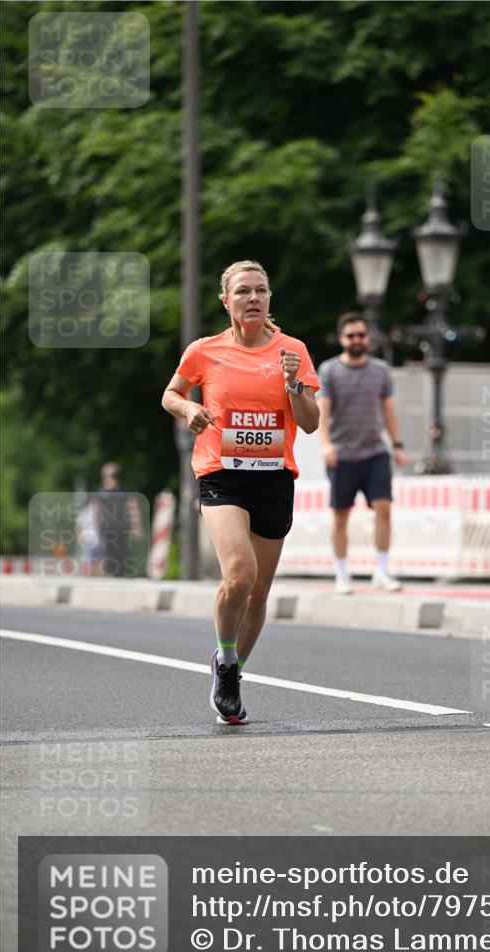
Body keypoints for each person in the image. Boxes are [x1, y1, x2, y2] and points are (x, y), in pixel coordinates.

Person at [161, 260, 319, 725]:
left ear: (270, 299)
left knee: (259, 594)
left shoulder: (293, 351)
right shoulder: (205, 351)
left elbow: (309, 422)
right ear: (225, 300)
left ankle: (230, 670)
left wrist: (293, 384)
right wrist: (188, 408)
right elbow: (170, 393)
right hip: (221, 471)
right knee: (240, 574)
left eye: (262, 291)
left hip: (273, 476)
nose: (254, 298)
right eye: (244, 291)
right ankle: (226, 658)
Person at [317, 312, 408, 595]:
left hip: (375, 452)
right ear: (342, 339)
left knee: (384, 508)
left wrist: (397, 444)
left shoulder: (381, 370)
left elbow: (389, 409)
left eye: (361, 335)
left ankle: (381, 570)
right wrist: (326, 444)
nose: (357, 340)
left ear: (367, 337)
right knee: (341, 515)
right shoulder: (329, 370)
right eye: (351, 335)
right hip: (342, 453)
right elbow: (323, 410)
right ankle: (342, 573)